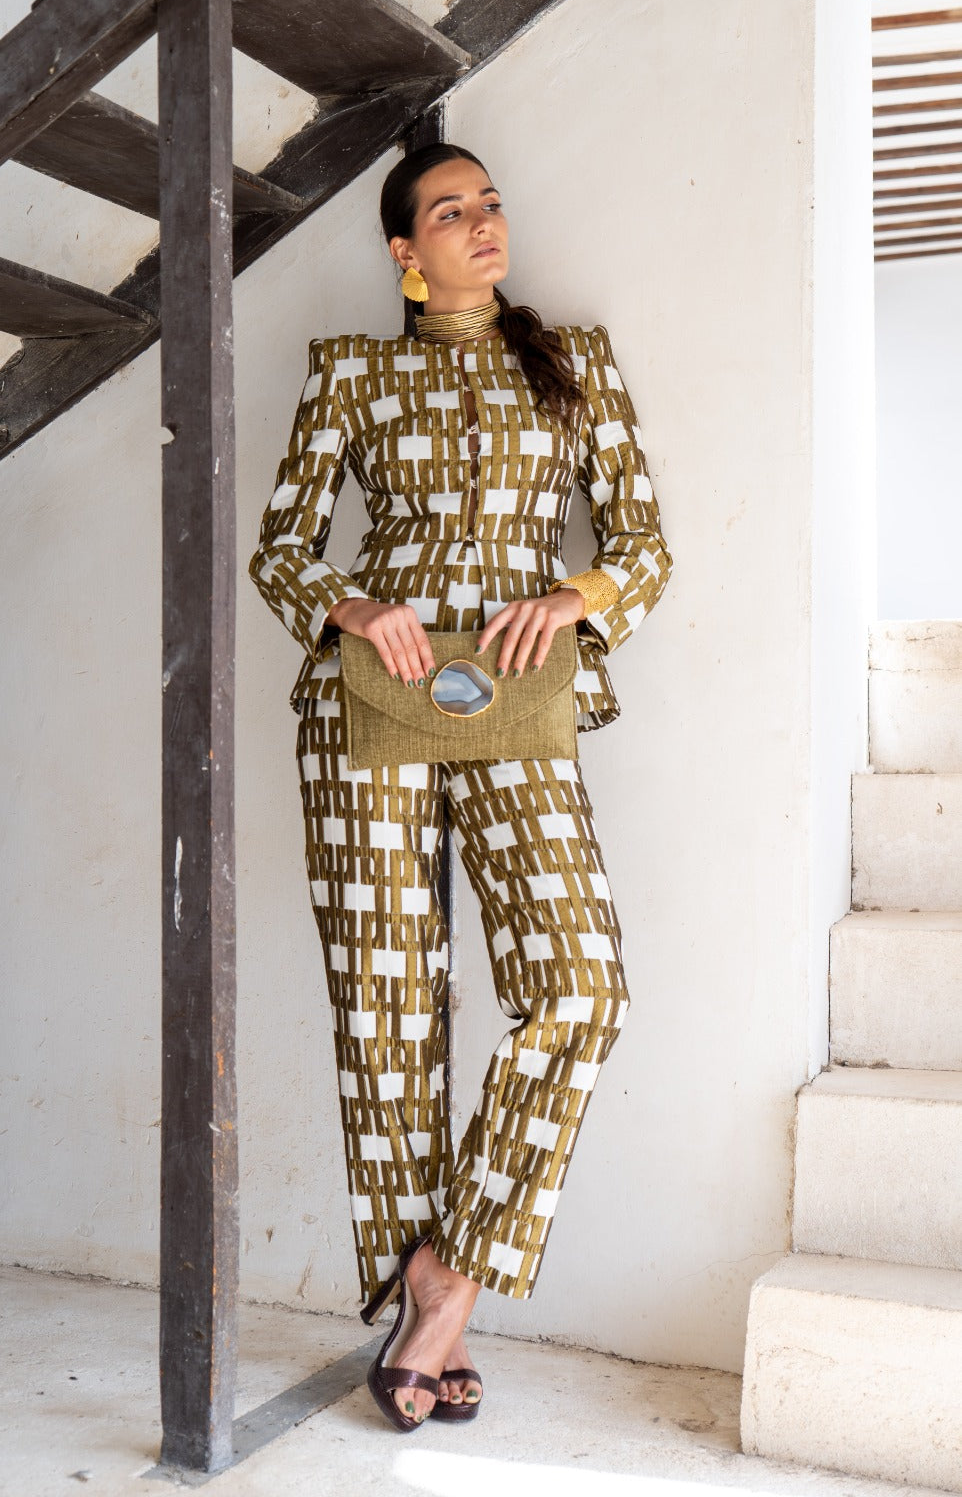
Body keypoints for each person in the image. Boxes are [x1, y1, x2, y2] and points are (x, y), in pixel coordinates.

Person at [248, 142, 672, 1432]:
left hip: (522, 696)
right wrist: (353, 605)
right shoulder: (351, 371)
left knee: (582, 986)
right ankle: (430, 1314)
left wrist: (574, 595)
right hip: (372, 700)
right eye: (451, 211)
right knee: (389, 1004)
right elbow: (281, 547)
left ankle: (449, 1275)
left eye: (491, 203)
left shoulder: (571, 360)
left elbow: (644, 543)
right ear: (405, 252)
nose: (484, 222)